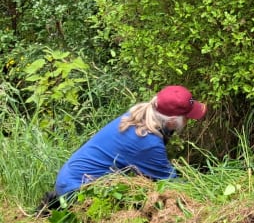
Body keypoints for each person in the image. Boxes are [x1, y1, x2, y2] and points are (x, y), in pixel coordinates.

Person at [42, 85, 207, 208]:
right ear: (172, 121)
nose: (188, 121)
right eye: (187, 117)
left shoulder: (138, 115)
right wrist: (205, 189)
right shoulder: (148, 143)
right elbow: (173, 185)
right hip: (77, 192)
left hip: (68, 180)